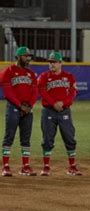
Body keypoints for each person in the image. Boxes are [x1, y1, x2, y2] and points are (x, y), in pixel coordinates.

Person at [37, 51, 81, 176]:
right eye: (50, 62)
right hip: (48, 111)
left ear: (60, 63)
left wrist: (63, 103)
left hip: (64, 111)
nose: (51, 64)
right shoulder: (43, 76)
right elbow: (42, 92)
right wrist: (54, 103)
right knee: (47, 139)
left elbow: (73, 93)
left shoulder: (69, 76)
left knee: (69, 138)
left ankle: (72, 166)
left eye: (54, 62)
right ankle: (46, 167)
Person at [1, 46, 38, 176]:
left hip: (28, 109)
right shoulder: (9, 71)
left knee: (26, 139)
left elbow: (35, 92)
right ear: (18, 57)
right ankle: (5, 166)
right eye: (25, 56)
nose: (28, 58)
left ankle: (25, 166)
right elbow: (8, 92)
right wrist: (19, 105)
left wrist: (30, 106)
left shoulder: (31, 74)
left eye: (29, 56)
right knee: (9, 137)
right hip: (13, 107)